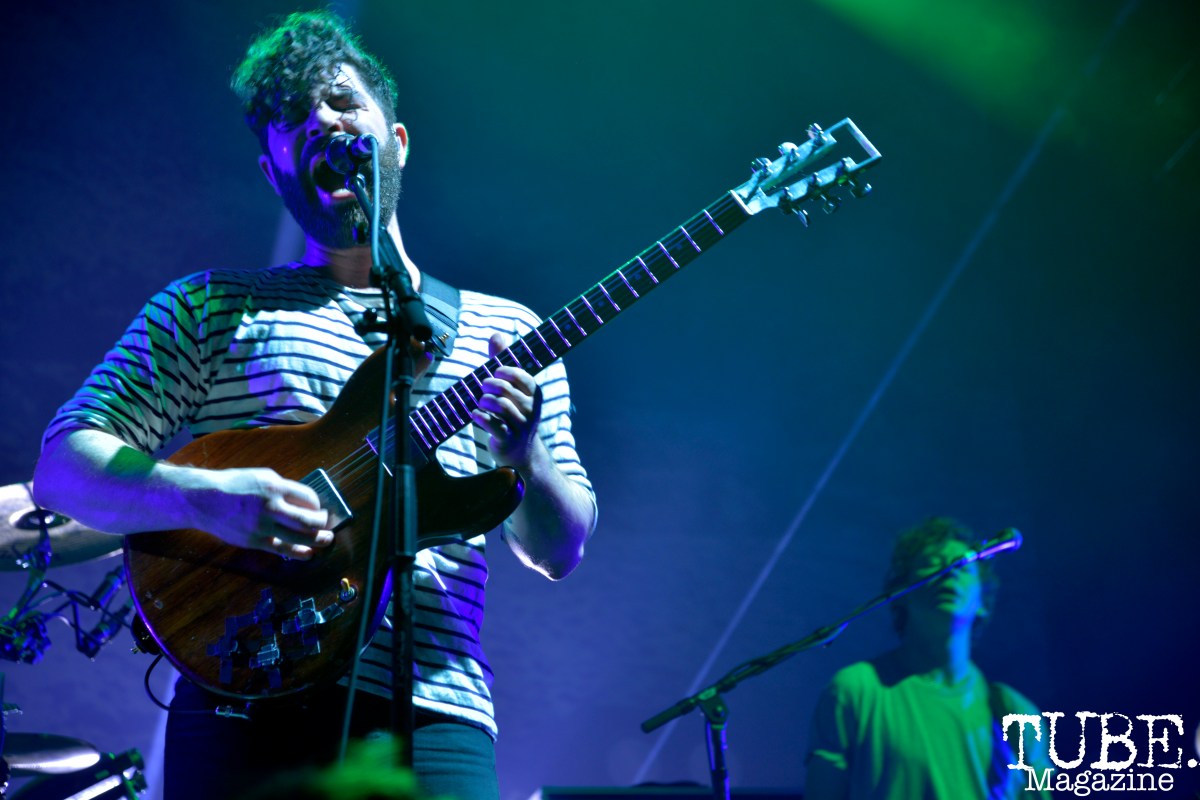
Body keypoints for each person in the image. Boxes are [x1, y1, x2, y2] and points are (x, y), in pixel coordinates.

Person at [31, 10, 597, 800]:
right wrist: (206, 497)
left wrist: (523, 455)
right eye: (294, 117)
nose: (323, 121)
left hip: (438, 712)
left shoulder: (508, 333)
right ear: (272, 174)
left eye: (341, 100)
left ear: (397, 142)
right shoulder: (209, 309)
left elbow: (558, 551)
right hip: (244, 696)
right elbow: (63, 469)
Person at [804, 518, 1051, 800]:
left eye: (965, 565)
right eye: (933, 563)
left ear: (982, 601)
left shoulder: (1018, 712)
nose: (952, 570)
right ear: (900, 593)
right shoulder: (855, 690)